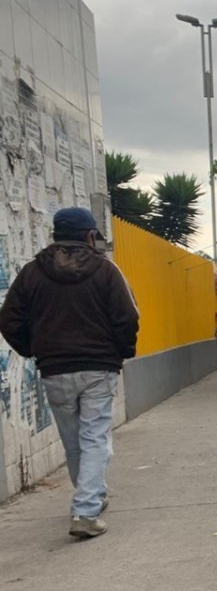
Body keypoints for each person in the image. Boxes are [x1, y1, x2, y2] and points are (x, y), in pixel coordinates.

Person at [0, 207, 139, 539]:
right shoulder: (107, 271)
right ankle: (86, 509)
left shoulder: (31, 273)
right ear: (90, 236)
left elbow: (8, 319)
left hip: (54, 369)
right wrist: (122, 351)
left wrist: (31, 348)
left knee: (75, 440)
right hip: (98, 368)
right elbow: (128, 316)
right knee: (93, 439)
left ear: (55, 235)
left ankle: (91, 497)